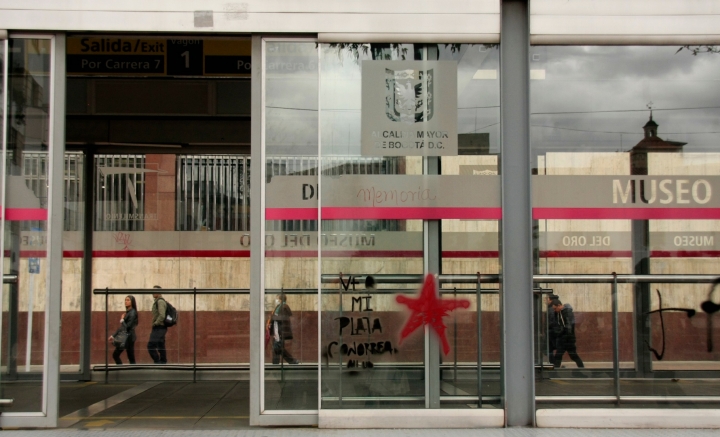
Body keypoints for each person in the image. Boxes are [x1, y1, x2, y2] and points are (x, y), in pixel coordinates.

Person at [550, 299, 584, 368]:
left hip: (568, 339)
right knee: (558, 356)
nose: (554, 310)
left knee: (573, 355)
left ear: (559, 306)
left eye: (555, 308)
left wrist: (564, 335)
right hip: (563, 338)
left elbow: (569, 326)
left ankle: (582, 369)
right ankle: (556, 371)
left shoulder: (567, 312)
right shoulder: (558, 313)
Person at [267, 293, 299, 365]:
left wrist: (273, 316)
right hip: (277, 330)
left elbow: (282, 318)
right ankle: (276, 363)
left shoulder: (284, 307)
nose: (276, 300)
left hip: (280, 331)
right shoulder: (279, 306)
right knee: (276, 348)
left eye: (277, 298)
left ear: (280, 299)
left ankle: (291, 361)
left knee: (278, 348)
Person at [108, 295, 138, 365]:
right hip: (127, 337)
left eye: (128, 300)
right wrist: (113, 336)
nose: (126, 302)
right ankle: (132, 370)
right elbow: (122, 327)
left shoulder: (132, 312)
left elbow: (127, 327)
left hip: (128, 337)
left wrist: (122, 320)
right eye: (125, 300)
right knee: (130, 357)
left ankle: (123, 369)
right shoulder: (128, 312)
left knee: (116, 355)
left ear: (132, 302)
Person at [147, 285, 168, 364]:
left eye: (154, 291)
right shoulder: (158, 301)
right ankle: (163, 361)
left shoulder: (160, 301)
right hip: (160, 327)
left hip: (159, 327)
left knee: (150, 345)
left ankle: (157, 361)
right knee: (160, 345)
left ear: (159, 292)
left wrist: (155, 323)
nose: (152, 292)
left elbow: (162, 315)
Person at [546, 294, 560, 358]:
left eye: (547, 299)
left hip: (551, 332)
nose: (545, 300)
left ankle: (554, 364)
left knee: (549, 349)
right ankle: (554, 364)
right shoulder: (551, 308)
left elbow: (552, 321)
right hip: (552, 331)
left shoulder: (551, 309)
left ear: (550, 300)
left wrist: (547, 327)